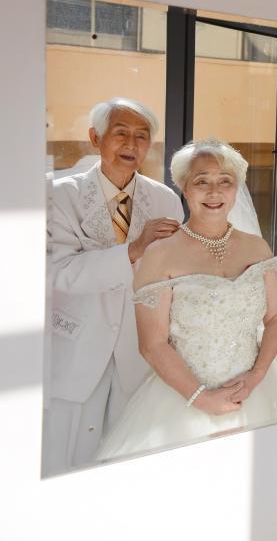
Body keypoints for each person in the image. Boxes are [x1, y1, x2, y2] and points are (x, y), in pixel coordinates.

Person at [95, 138, 277, 461]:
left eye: (224, 182)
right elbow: (152, 343)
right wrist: (205, 400)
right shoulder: (160, 255)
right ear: (184, 189)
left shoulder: (257, 248)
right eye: (201, 182)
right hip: (184, 400)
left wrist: (257, 375)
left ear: (236, 190)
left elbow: (276, 318)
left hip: (256, 394)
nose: (214, 192)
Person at [44, 97, 183, 476]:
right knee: (63, 459)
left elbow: (174, 279)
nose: (132, 145)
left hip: (138, 355)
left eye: (142, 136)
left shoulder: (166, 200)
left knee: (127, 462)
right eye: (121, 133)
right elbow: (58, 272)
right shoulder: (59, 195)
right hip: (74, 350)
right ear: (95, 138)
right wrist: (134, 250)